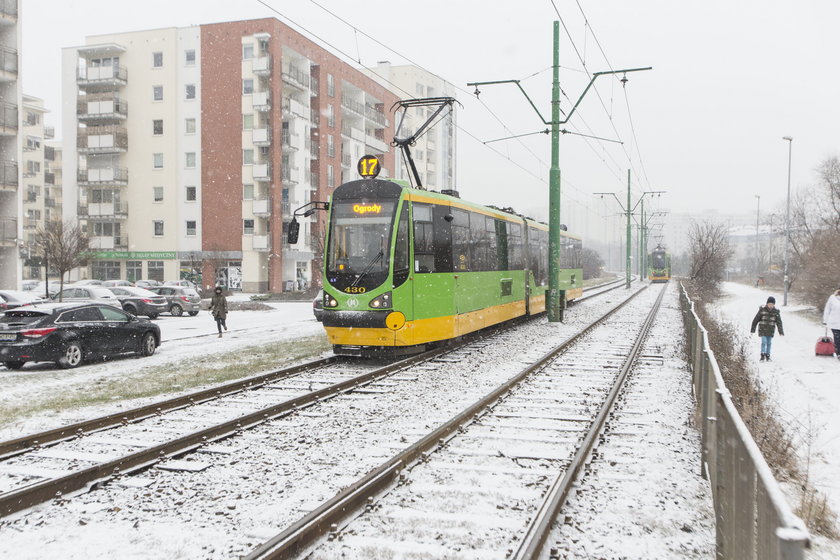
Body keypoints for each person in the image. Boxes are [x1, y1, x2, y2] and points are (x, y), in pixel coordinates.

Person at [750, 296, 784, 362]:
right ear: (767, 304)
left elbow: (779, 322)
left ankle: (767, 355)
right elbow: (755, 320)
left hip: (770, 330)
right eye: (769, 304)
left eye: (772, 304)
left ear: (774, 305)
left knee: (769, 343)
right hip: (763, 330)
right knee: (764, 342)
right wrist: (753, 329)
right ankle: (762, 355)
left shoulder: (776, 312)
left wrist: (781, 331)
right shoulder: (762, 310)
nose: (770, 305)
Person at [822, 288, 840, 360]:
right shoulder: (832, 298)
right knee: (837, 338)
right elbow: (827, 309)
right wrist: (825, 320)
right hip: (835, 323)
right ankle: (839, 353)